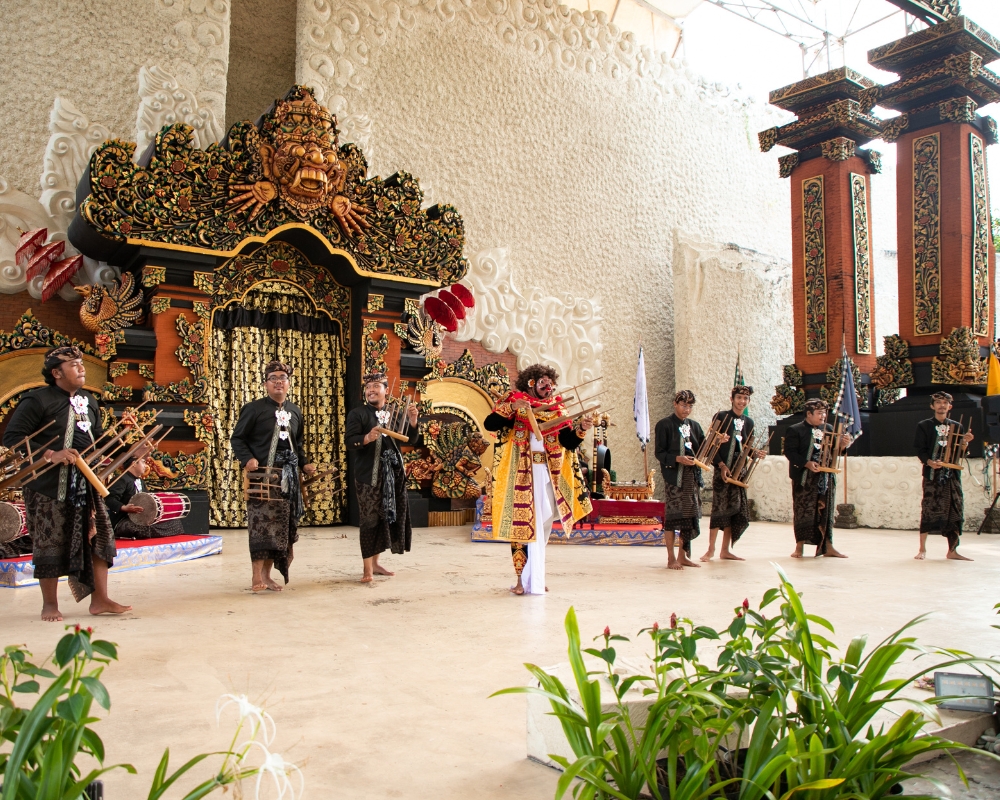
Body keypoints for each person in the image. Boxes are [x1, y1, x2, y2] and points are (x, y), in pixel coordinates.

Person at [2, 345, 132, 621]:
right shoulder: (37, 400)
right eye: (73, 365)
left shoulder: (90, 401)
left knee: (100, 538)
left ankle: (100, 599)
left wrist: (123, 436)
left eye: (81, 363)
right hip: (48, 485)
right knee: (49, 541)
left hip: (87, 482)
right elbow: (12, 437)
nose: (81, 368)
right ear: (56, 373)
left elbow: (97, 440)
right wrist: (51, 454)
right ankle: (49, 604)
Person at [486, 364, 592, 595]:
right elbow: (490, 424)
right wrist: (512, 408)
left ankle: (536, 575)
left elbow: (568, 443)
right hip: (520, 474)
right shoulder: (515, 401)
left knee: (542, 525)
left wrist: (581, 429)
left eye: (551, 384)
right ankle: (520, 580)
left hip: (546, 474)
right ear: (530, 383)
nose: (548, 387)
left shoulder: (557, 409)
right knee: (521, 527)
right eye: (543, 383)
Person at [231, 361, 316, 592]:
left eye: (283, 377)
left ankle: (268, 577)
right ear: (266, 383)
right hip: (263, 477)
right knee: (261, 526)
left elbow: (297, 444)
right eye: (273, 378)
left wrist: (305, 464)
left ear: (289, 383)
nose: (278, 381)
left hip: (288, 479)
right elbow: (237, 438)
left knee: (280, 529)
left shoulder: (295, 410)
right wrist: (247, 458)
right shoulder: (254, 409)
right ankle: (255, 577)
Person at [345, 372, 422, 583]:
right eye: (368, 386)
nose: (371, 389)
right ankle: (367, 569)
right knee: (369, 520)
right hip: (368, 475)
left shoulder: (394, 413)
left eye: (376, 386)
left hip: (394, 476)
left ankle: (377, 563)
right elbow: (349, 441)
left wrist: (413, 420)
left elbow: (411, 439)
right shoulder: (358, 414)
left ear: (386, 390)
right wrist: (366, 438)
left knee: (384, 520)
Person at [655, 390, 720, 570]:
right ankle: (671, 558)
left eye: (690, 406)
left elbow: (703, 450)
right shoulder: (664, 425)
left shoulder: (695, 426)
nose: (687, 410)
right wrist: (677, 459)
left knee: (688, 517)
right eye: (684, 405)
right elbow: (659, 453)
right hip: (675, 478)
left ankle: (683, 556)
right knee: (673, 517)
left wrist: (717, 442)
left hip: (691, 478)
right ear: (675, 404)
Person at [784, 398, 849, 558]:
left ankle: (828, 546)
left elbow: (834, 451)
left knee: (826, 512)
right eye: (820, 413)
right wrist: (806, 463)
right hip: (804, 479)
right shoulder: (795, 430)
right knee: (803, 511)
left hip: (825, 478)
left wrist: (842, 446)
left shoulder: (827, 428)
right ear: (809, 414)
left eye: (825, 413)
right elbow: (790, 452)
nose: (823, 416)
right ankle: (799, 547)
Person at [914, 392, 974, 561]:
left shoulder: (957, 427)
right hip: (932, 474)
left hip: (951, 476)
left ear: (950, 406)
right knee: (928, 508)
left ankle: (952, 550)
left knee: (954, 510)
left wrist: (965, 442)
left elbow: (960, 452)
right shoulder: (924, 426)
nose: (942, 405)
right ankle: (922, 548)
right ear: (932, 406)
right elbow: (920, 449)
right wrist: (929, 462)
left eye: (945, 403)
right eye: (938, 402)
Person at [701, 385, 756, 562]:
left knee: (735, 509)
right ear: (732, 399)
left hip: (740, 470)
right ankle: (710, 549)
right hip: (723, 469)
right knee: (719, 508)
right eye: (739, 398)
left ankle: (725, 550)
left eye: (745, 399)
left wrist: (756, 453)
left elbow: (747, 447)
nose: (742, 401)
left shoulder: (749, 422)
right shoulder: (722, 417)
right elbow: (710, 444)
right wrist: (722, 465)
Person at [104, 456, 184, 539]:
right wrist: (124, 508)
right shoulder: (121, 479)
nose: (145, 465)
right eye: (143, 462)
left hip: (141, 520)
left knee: (175, 523)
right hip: (123, 521)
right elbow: (109, 499)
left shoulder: (141, 481)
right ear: (134, 464)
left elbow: (148, 499)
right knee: (144, 528)